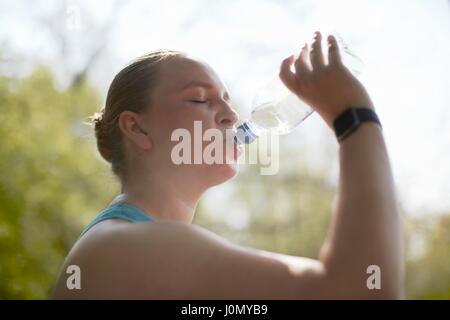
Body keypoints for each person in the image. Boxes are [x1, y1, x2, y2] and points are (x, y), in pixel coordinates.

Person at [52, 32, 404, 299]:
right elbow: (361, 290)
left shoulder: (133, 244)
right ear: (138, 127)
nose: (232, 115)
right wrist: (354, 116)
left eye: (227, 101)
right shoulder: (124, 247)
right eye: (200, 99)